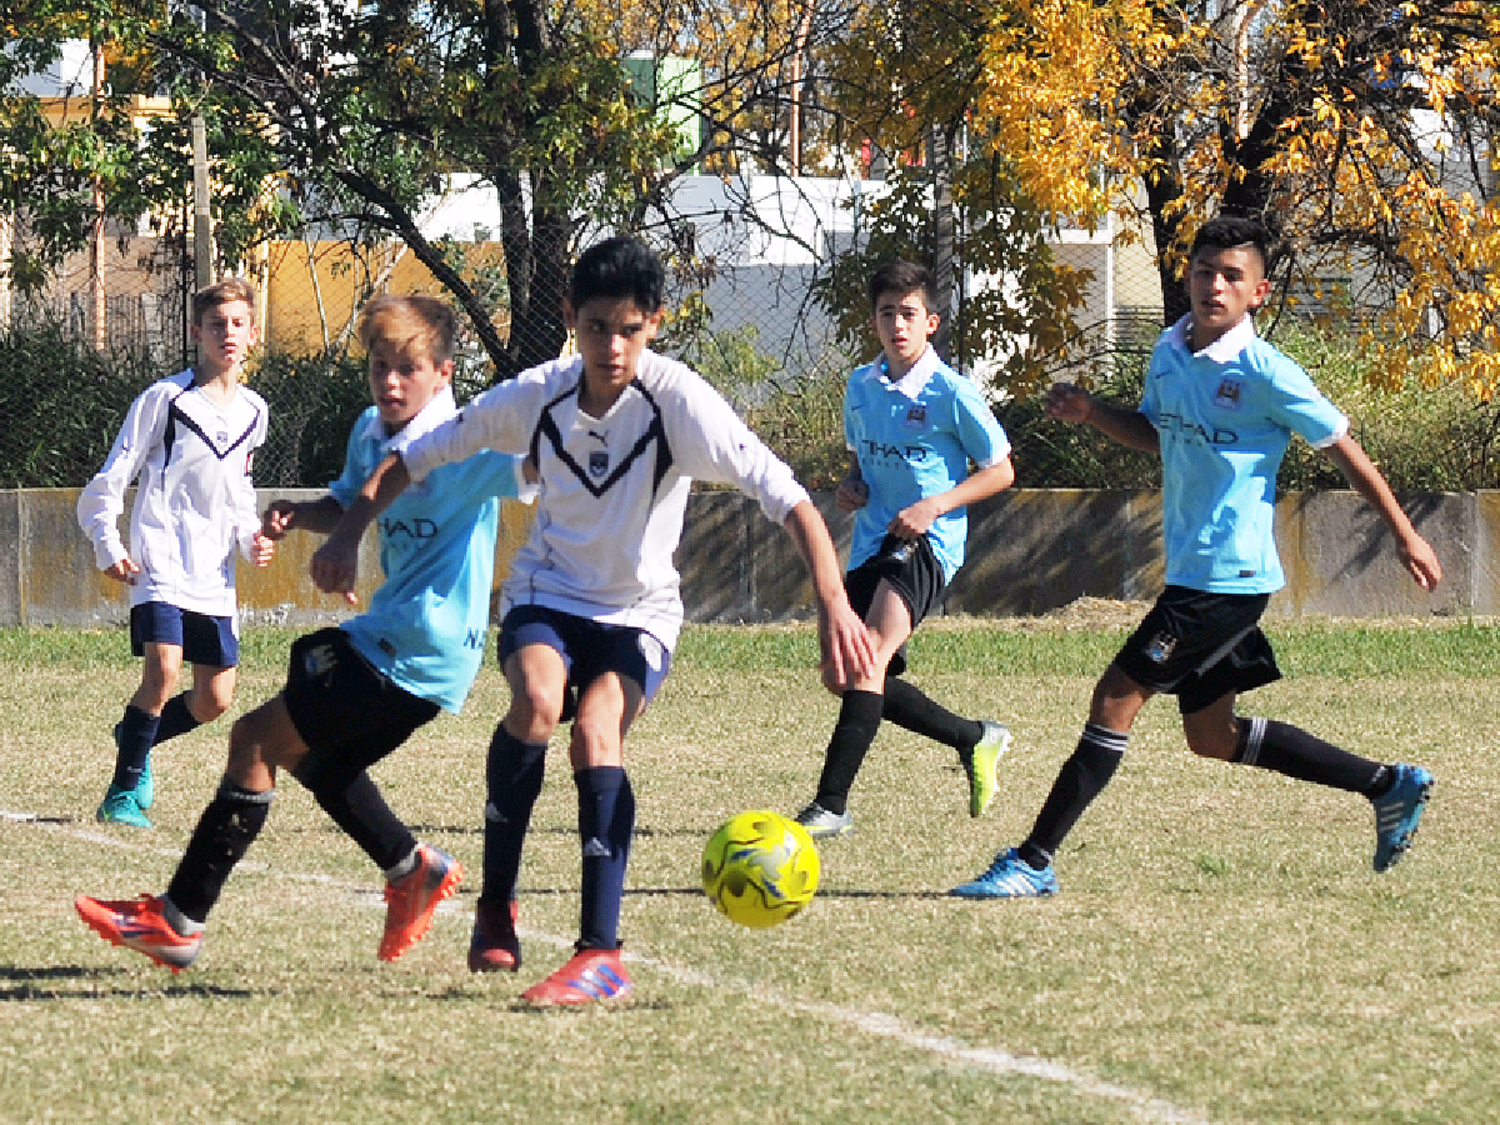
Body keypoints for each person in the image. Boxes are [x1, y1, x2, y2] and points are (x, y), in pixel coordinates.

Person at [309, 236, 874, 1005]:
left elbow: (792, 501)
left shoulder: (679, 402)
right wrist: (345, 532)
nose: (613, 346)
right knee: (538, 702)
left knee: (595, 731)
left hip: (640, 612)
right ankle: (496, 905)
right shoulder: (536, 395)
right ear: (571, 319)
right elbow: (415, 457)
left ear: (656, 325)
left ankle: (600, 952)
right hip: (548, 593)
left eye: (631, 329)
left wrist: (834, 604)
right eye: (598, 326)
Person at [952, 215, 1444, 899]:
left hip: (1226, 577)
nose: (1215, 284)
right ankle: (1389, 784)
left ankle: (1034, 860)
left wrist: (1404, 531)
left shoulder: (1266, 372)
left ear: (1259, 292)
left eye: (1231, 275)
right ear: (1187, 278)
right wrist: (1093, 411)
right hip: (1195, 570)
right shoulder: (1169, 350)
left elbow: (1342, 447)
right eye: (1204, 271)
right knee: (1212, 736)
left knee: (1114, 698)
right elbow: (1160, 434)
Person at [75, 293, 530, 969]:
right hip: (392, 640)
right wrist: (301, 515)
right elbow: (351, 499)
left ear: (444, 372)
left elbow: (550, 468)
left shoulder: (473, 444)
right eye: (379, 367)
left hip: (419, 645)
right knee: (314, 758)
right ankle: (411, 868)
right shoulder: (370, 431)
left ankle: (179, 920)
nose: (391, 383)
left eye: (407, 369)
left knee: (254, 737)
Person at [793, 261, 1016, 840]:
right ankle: (974, 738)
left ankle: (831, 805)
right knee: (844, 675)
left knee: (867, 653)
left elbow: (1001, 471)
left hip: (927, 545)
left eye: (909, 314)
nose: (898, 323)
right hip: (872, 541)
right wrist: (851, 487)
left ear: (931, 323)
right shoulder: (860, 387)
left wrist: (936, 505)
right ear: (874, 322)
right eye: (887, 313)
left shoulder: (950, 392)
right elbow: (860, 463)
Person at [77, 277, 275, 829]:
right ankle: (121, 794)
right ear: (197, 334)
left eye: (238, 324)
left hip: (213, 572)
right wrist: (107, 541)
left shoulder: (254, 411)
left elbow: (238, 493)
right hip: (159, 558)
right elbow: (113, 477)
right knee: (163, 671)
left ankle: (135, 738)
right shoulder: (165, 400)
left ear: (253, 333)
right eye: (217, 325)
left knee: (215, 698)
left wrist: (249, 537)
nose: (227, 334)